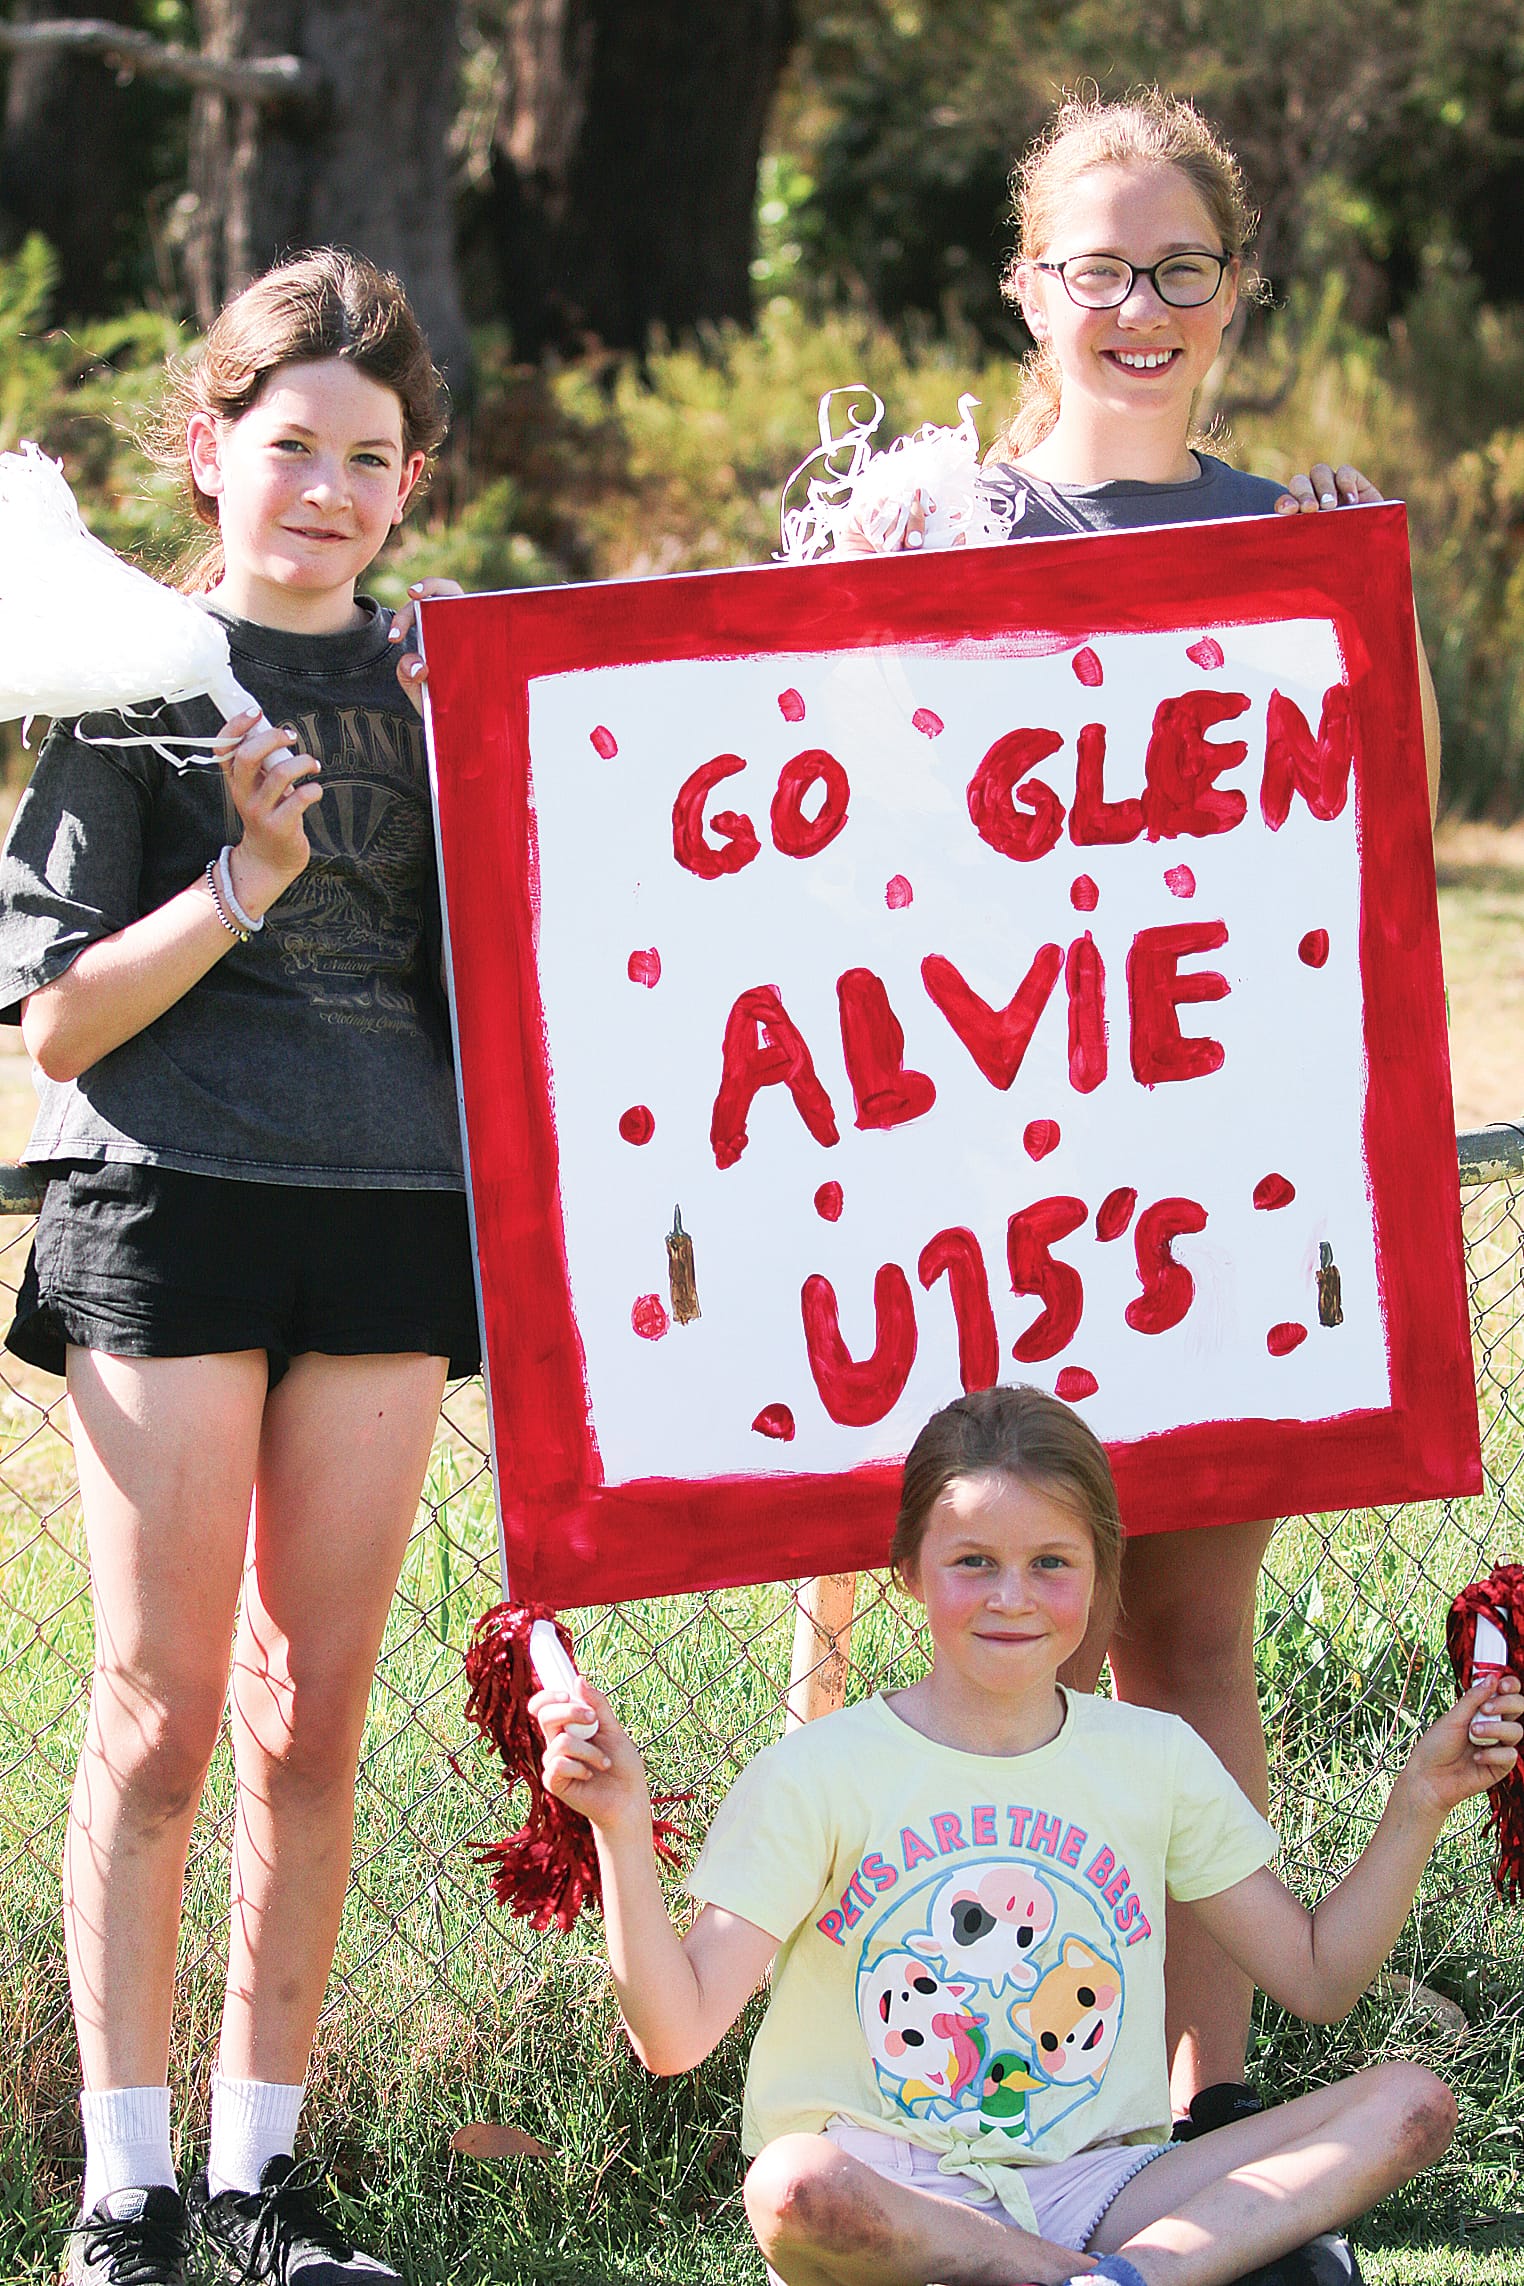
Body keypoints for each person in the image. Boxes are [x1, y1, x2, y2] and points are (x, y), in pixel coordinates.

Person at [842, 87, 1444, 2134]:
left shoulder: (1293, 539)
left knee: (1187, 1648)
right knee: (1008, 1669)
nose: (1140, 304)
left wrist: (1366, 608)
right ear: (1028, 287)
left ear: (1234, 292)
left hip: (1208, 1178)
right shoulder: (929, 529)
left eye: (1180, 266)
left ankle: (1207, 2113)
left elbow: (1385, 835)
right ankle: (1015, 2113)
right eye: (1097, 267)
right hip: (979, 1181)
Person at [0, 248, 475, 2286]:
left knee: (313, 1722)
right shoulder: (126, 684)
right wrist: (241, 879)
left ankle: (260, 2183)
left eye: (369, 458)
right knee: (165, 1712)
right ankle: (127, 2195)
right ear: (211, 450)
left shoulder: (448, 692)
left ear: (411, 483)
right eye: (291, 446)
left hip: (389, 1229)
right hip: (166, 1212)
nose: (327, 487)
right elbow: (55, 1028)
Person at [535, 1384, 1520, 2286]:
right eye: (974, 1563)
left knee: (1409, 2102)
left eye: (1051, 1563)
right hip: (890, 2196)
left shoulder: (1155, 1757)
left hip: (1098, 2185)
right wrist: (621, 1828)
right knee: (794, 2184)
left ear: (1102, 1571)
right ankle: (1112, 2272)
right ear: (909, 1573)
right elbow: (672, 2038)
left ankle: (1115, 2276)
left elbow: (1318, 1979)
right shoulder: (818, 1774)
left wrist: (1418, 1804)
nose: (1012, 1597)